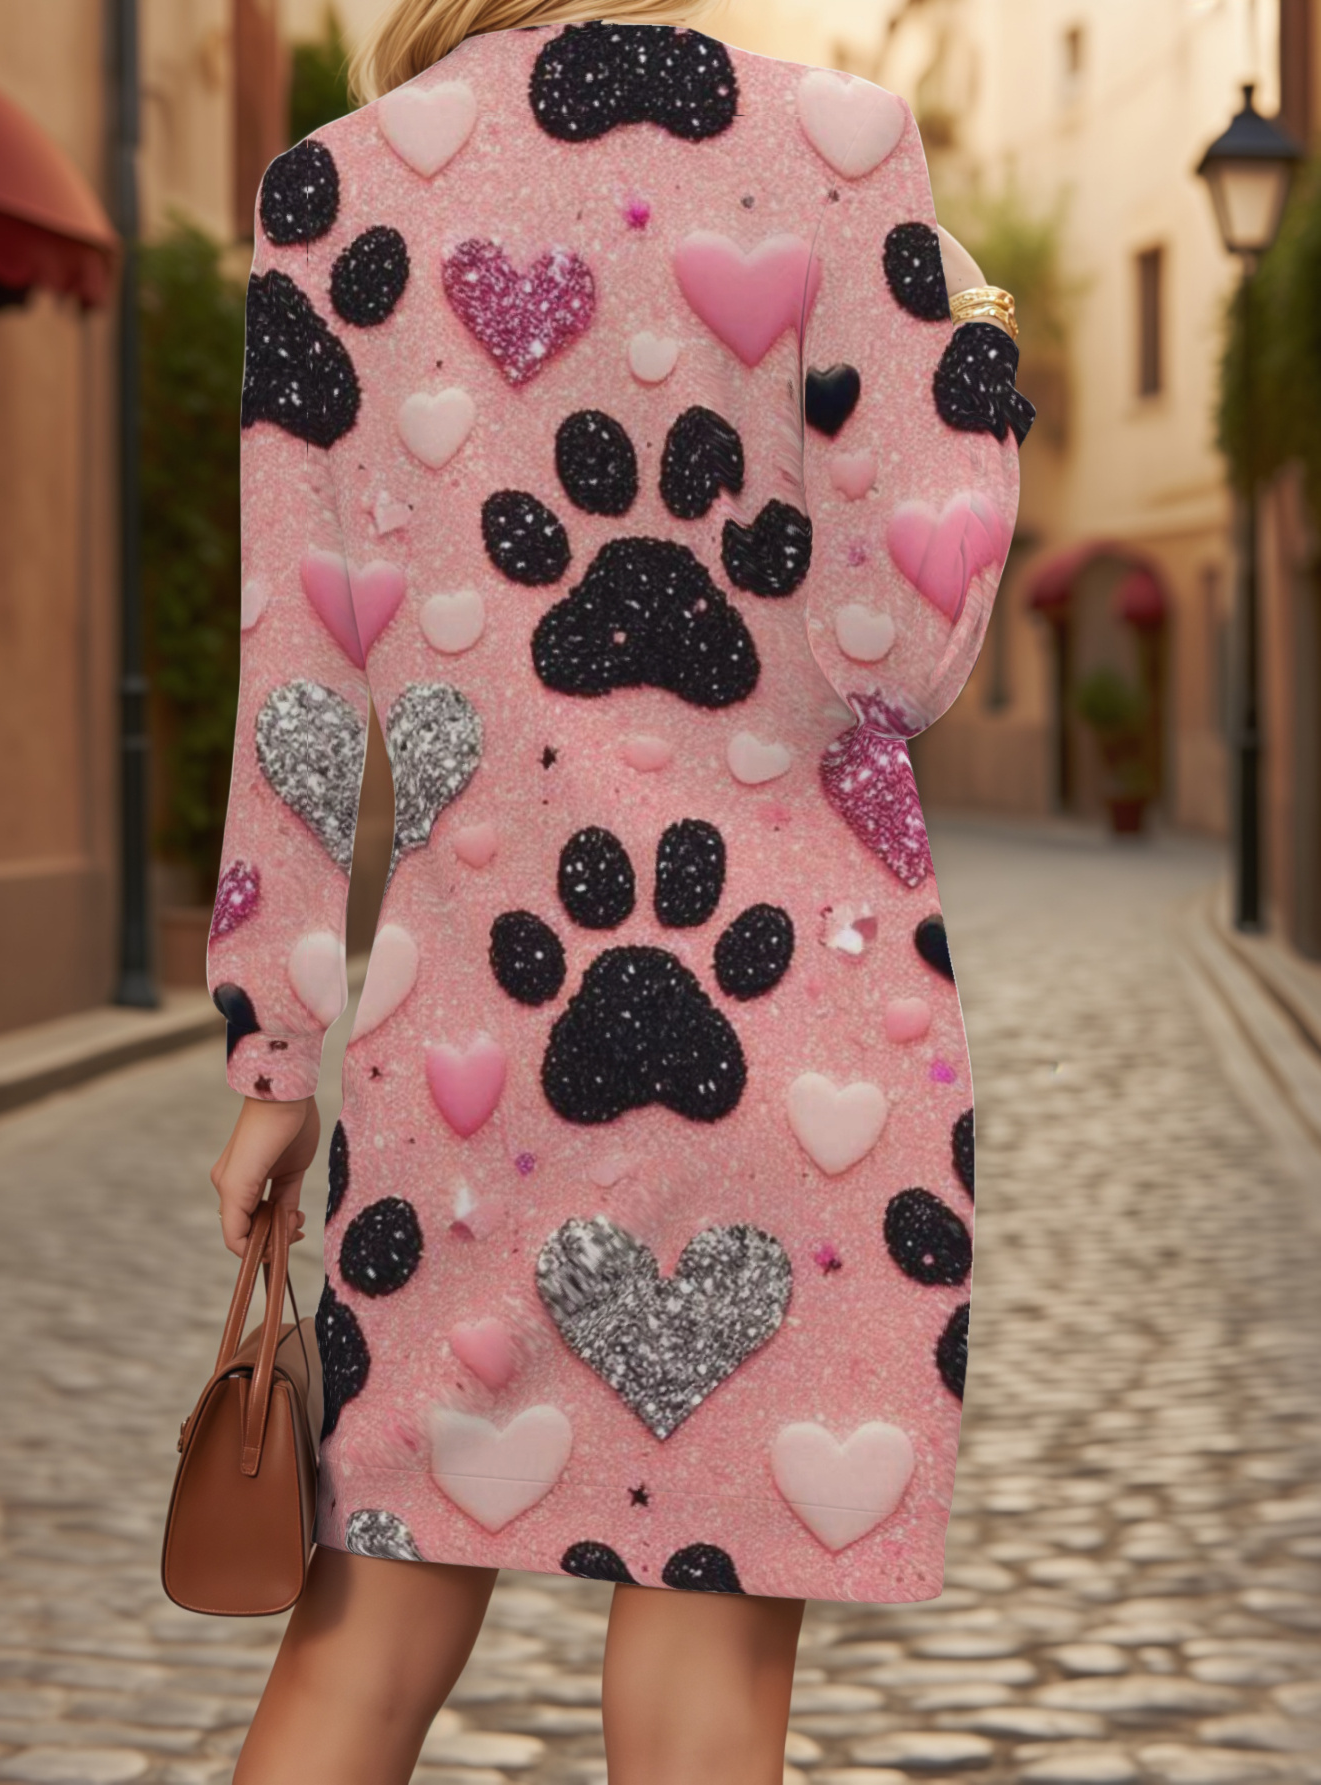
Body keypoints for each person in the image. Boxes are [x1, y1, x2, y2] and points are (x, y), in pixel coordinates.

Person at [207, 2, 1031, 1779]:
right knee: (705, 1684)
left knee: (363, 1646)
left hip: (470, 1050)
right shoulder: (842, 150)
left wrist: (271, 1053)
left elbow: (296, 679)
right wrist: (969, 344)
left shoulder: (326, 199)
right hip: (801, 1030)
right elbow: (904, 645)